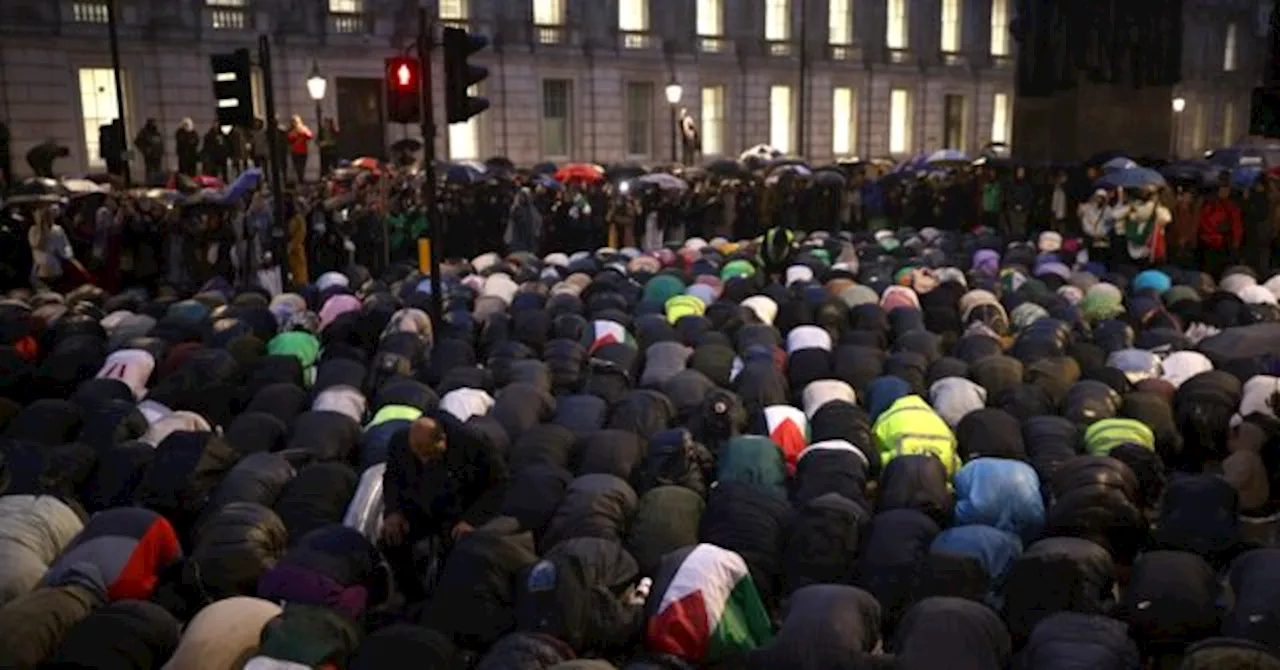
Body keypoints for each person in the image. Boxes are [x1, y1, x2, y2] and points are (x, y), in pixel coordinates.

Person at [380, 415, 508, 600]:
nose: (424, 461)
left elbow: (498, 483)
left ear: (443, 440)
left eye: (429, 454)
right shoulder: (400, 442)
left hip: (460, 510)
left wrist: (471, 520)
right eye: (419, 456)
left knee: (456, 553)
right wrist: (393, 512)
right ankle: (411, 597)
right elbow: (392, 478)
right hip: (419, 505)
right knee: (391, 540)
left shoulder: (472, 442)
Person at [1197, 180, 1243, 278]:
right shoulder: (1210, 205)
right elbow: (1205, 222)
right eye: (1222, 189)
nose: (1224, 192)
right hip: (1211, 242)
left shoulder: (1232, 205)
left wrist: (1236, 240)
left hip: (1226, 243)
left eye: (1227, 189)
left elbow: (1237, 225)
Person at [286, 115, 313, 184]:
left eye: (296, 121)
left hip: (303, 151)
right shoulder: (291, 130)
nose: (295, 123)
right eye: (293, 121)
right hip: (294, 151)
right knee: (297, 167)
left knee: (302, 166)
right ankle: (300, 180)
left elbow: (310, 136)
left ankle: (301, 180)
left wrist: (302, 131)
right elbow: (288, 139)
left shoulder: (304, 128)